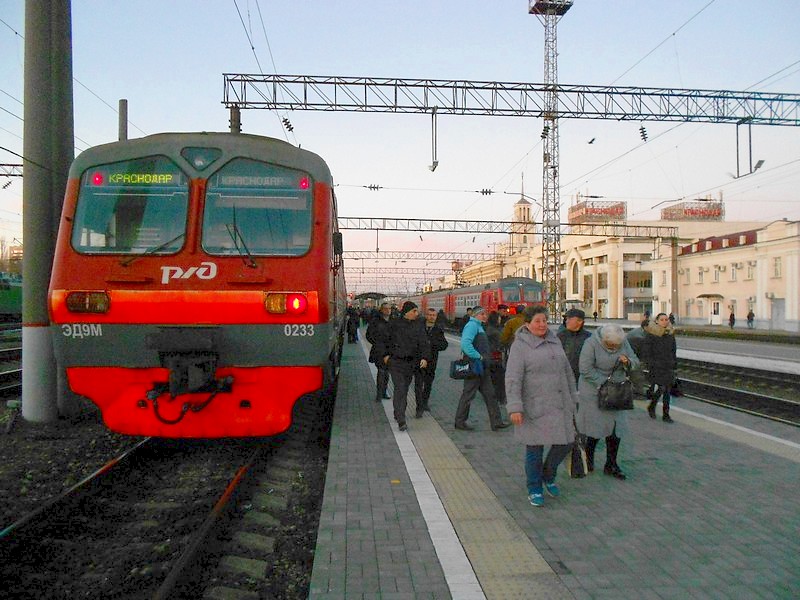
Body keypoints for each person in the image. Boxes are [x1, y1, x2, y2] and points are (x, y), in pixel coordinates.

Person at [506, 305, 579, 507]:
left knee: (566, 442)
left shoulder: (554, 341)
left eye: (544, 321)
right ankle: (534, 487)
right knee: (535, 449)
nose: (542, 325)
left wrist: (574, 396)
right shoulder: (520, 347)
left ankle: (548, 474)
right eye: (537, 321)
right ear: (527, 324)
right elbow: (513, 378)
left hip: (559, 404)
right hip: (534, 406)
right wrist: (515, 407)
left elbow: (567, 372)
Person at [576, 324, 639, 480]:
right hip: (594, 390)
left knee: (615, 429)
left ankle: (611, 464)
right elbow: (585, 369)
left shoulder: (622, 341)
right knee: (595, 427)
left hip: (617, 391)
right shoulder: (591, 343)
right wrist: (604, 384)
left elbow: (635, 361)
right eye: (611, 345)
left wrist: (627, 362)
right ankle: (588, 459)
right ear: (604, 339)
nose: (615, 347)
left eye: (617, 345)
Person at [454, 307, 510, 432]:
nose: (485, 316)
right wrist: (478, 356)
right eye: (483, 314)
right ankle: (460, 421)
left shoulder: (478, 326)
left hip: (482, 366)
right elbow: (465, 344)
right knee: (468, 394)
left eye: (486, 314)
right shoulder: (472, 326)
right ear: (476, 315)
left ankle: (496, 422)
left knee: (490, 394)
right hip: (475, 365)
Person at [377, 301, 431, 431]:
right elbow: (383, 340)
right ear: (407, 312)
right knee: (400, 388)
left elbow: (424, 343)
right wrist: (385, 355)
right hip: (396, 362)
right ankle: (401, 420)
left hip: (411, 363)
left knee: (404, 389)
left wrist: (424, 357)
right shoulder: (394, 324)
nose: (417, 314)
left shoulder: (418, 326)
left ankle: (398, 412)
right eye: (414, 311)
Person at [642, 313, 677, 423]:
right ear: (657, 321)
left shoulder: (670, 334)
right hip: (657, 366)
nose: (665, 321)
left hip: (668, 365)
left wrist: (674, 363)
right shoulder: (651, 334)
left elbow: (673, 351)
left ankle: (665, 414)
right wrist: (651, 363)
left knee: (667, 390)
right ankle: (653, 406)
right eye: (662, 319)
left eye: (666, 319)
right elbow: (647, 352)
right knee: (662, 388)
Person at [414, 307, 449, 416]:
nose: (431, 317)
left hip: (432, 361)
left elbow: (444, 345)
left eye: (433, 315)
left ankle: (425, 403)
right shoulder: (419, 327)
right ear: (426, 315)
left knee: (428, 384)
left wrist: (433, 344)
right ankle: (419, 407)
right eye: (429, 315)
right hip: (419, 360)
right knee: (418, 384)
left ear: (436, 316)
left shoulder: (438, 329)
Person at [366, 302, 393, 402]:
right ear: (381, 310)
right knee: (381, 372)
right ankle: (379, 394)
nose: (388, 310)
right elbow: (369, 335)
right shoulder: (375, 321)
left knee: (387, 373)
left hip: (390, 351)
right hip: (379, 351)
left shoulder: (393, 321)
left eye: (389, 308)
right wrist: (377, 344)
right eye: (386, 309)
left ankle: (384, 392)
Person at [557, 308, 591, 385]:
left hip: (583, 380)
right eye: (566, 319)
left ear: (580, 321)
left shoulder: (589, 338)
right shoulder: (560, 336)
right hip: (563, 378)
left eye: (569, 319)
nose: (566, 321)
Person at [485, 311, 506, 404]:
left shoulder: (489, 329)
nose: (500, 319)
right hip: (495, 357)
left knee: (493, 378)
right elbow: (501, 342)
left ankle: (493, 396)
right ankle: (499, 397)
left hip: (491, 357)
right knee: (499, 378)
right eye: (499, 318)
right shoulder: (495, 331)